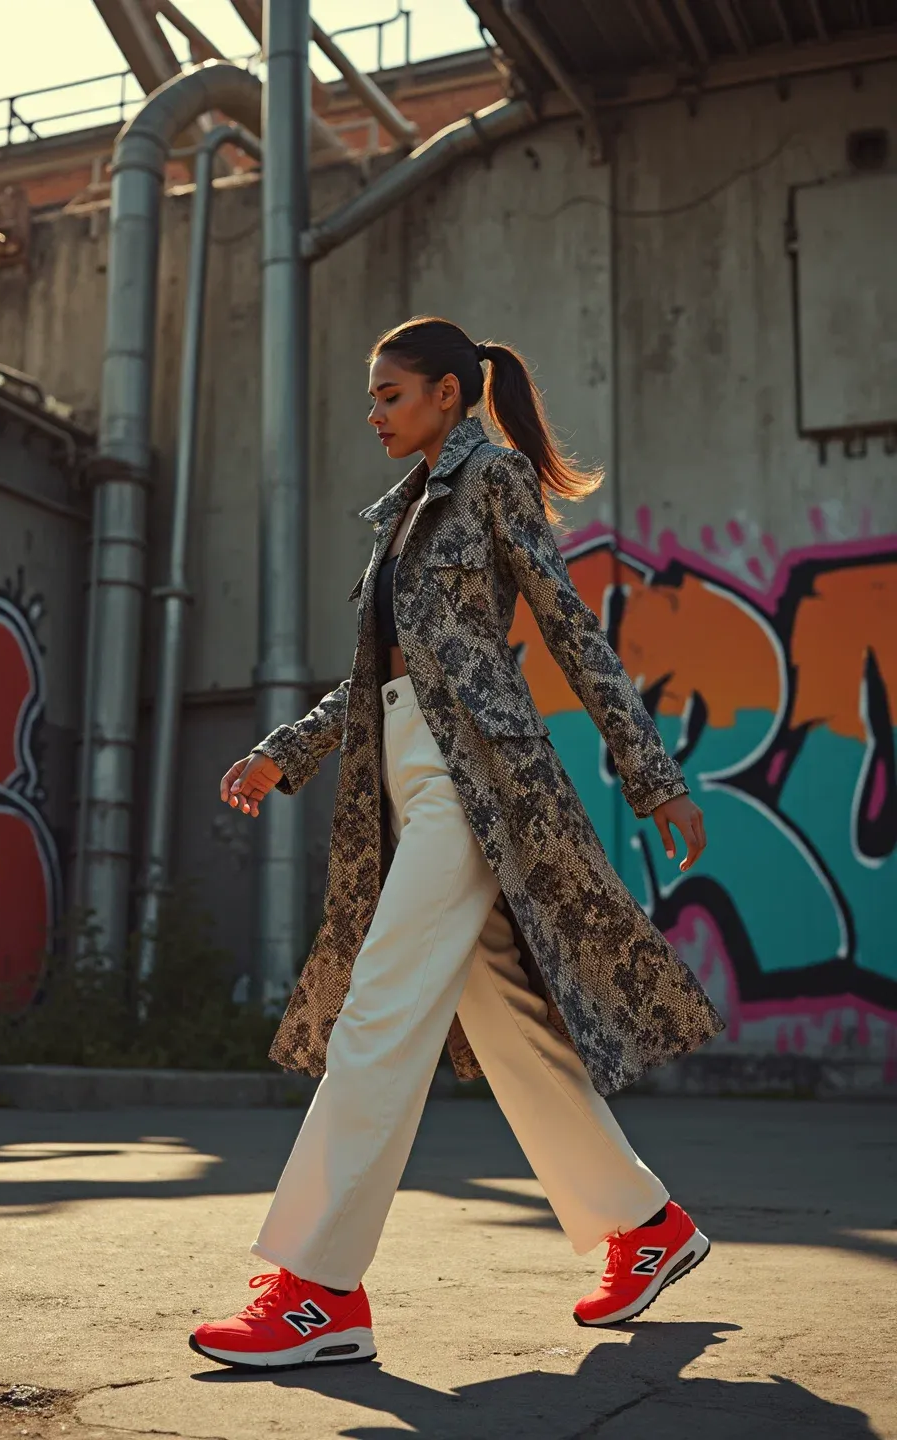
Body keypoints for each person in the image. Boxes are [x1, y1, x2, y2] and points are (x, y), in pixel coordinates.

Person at [191, 316, 722, 1372]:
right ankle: (644, 1226)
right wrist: (284, 753)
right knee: (516, 1030)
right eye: (373, 397)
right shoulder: (401, 513)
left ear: (447, 393)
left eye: (391, 395)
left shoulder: (492, 484)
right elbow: (382, 676)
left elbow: (570, 628)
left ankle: (319, 1288)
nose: (375, 414)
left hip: (472, 786)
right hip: (408, 774)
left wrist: (652, 773)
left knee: (379, 1016)